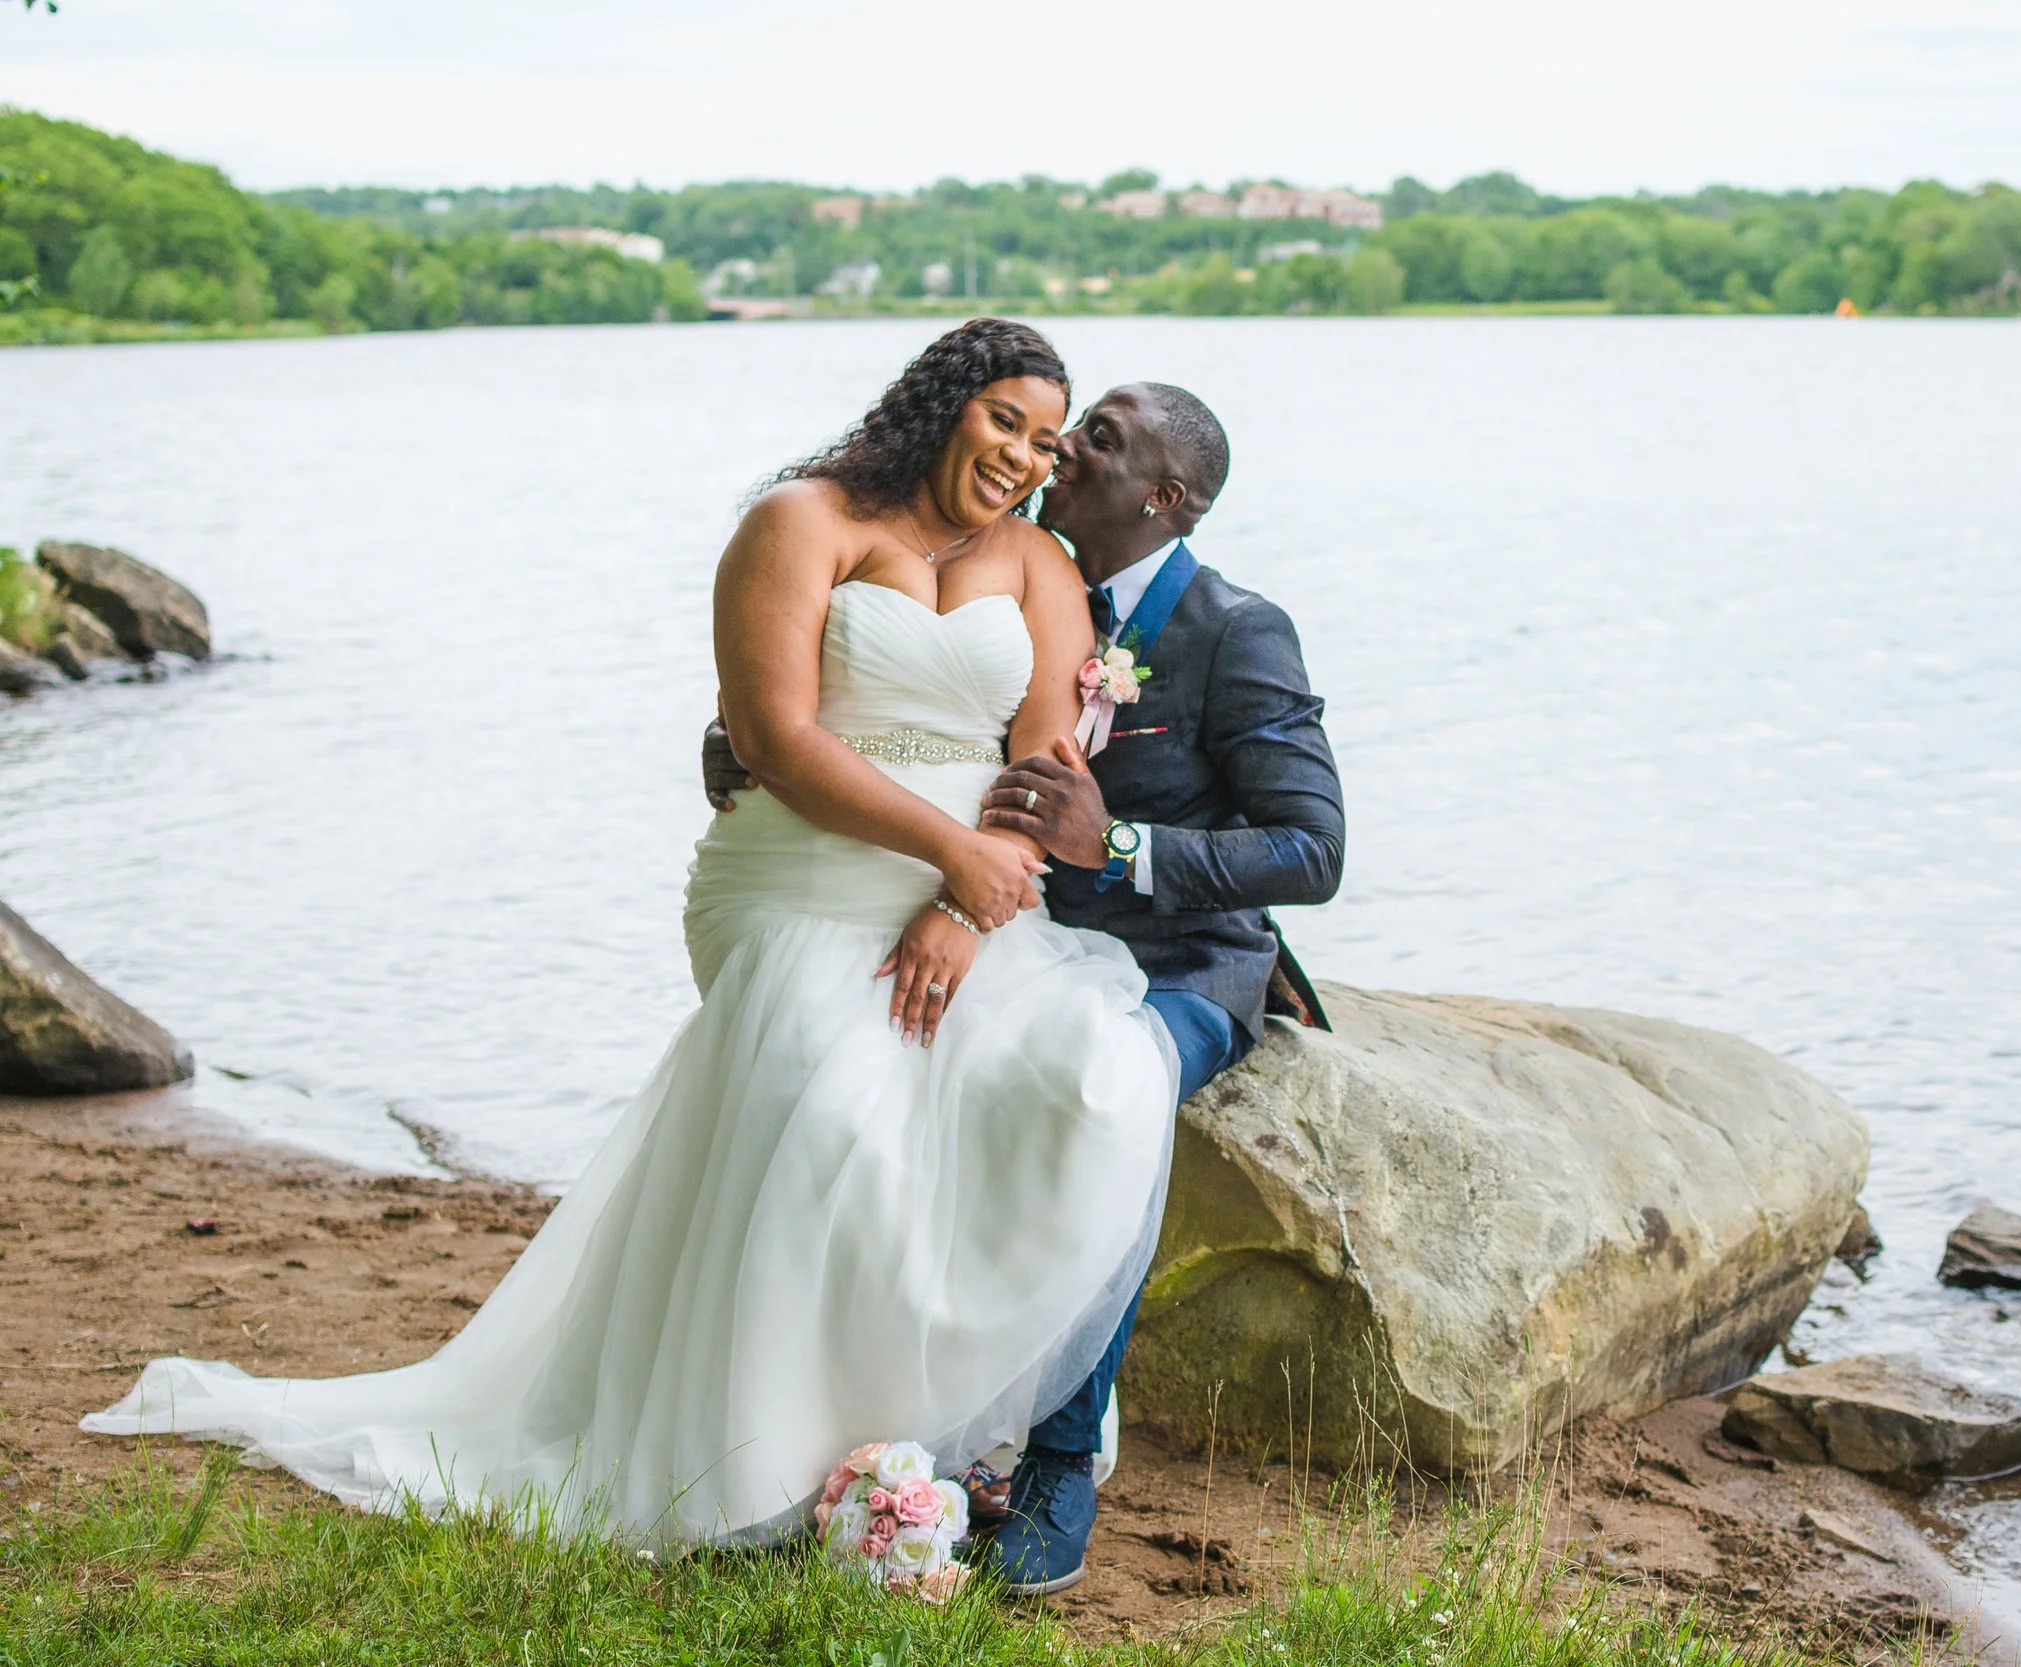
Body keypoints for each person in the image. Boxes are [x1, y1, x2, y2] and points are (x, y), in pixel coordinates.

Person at [84, 319, 1185, 1552]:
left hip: (968, 904)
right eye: (1004, 422)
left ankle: (896, 1450)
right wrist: (945, 853)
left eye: (1045, 443)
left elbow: (1042, 764)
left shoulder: (1036, 562)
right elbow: (773, 739)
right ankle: (765, 1464)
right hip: (794, 877)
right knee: (839, 1123)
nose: (1023, 459)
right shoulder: (801, 522)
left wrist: (962, 905)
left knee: (1089, 1083)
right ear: (946, 401)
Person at [705, 378, 1345, 1592]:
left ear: (1167, 498)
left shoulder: (1234, 628)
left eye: (1092, 442)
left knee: (1102, 1087)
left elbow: (1312, 848)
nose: (1058, 456)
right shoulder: (1022, 572)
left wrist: (1119, 847)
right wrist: (742, 741)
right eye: (1058, 433)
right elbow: (895, 705)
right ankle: (874, 1426)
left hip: (1177, 961)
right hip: (1009, 928)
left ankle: (1058, 1457)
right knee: (862, 1077)